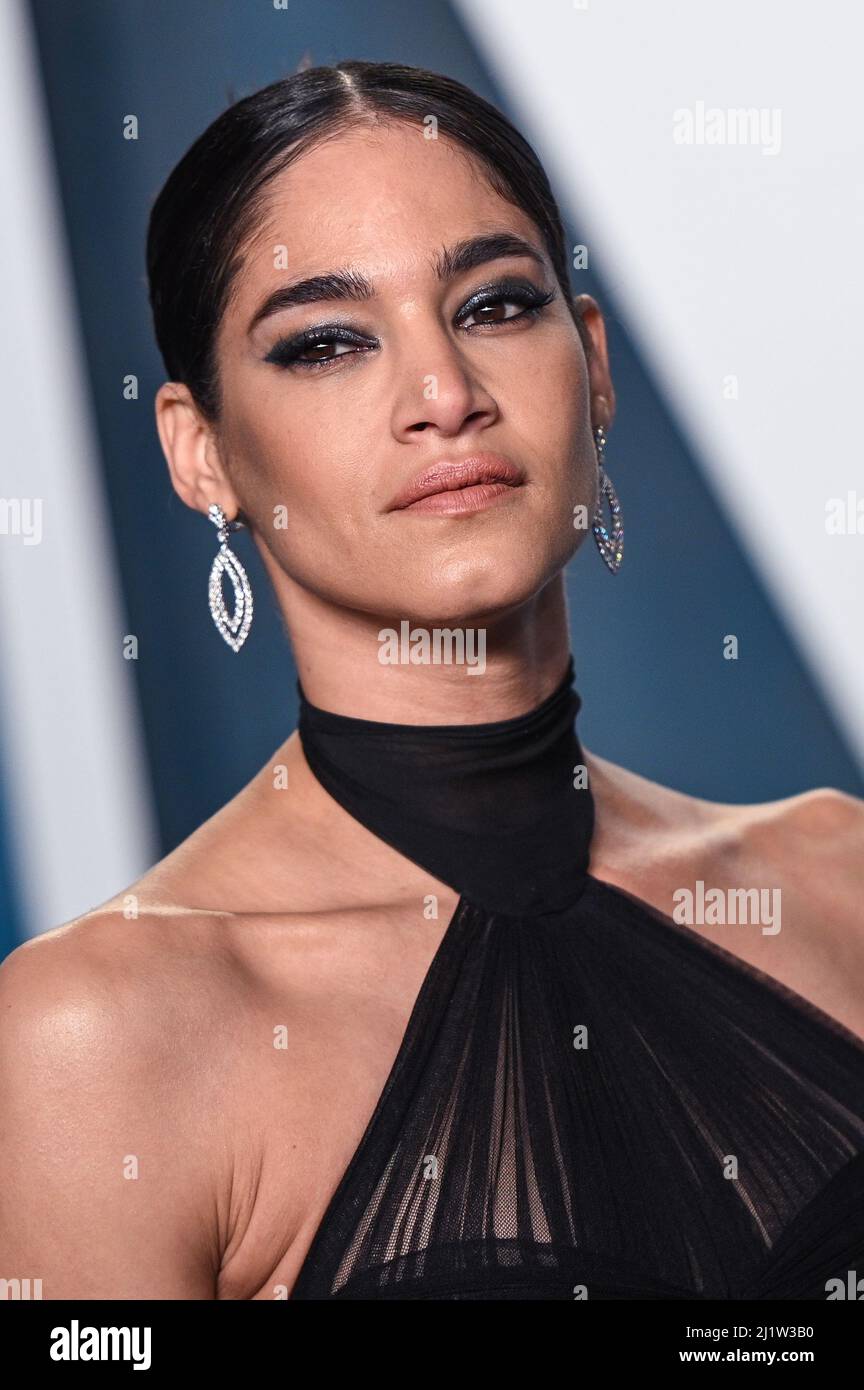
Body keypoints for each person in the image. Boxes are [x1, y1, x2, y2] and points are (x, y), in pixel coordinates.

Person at [1, 61, 862, 1301]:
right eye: (329, 341)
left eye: (498, 305)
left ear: (595, 363)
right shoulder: (99, 1036)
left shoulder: (839, 878)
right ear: (202, 455)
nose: (446, 396)